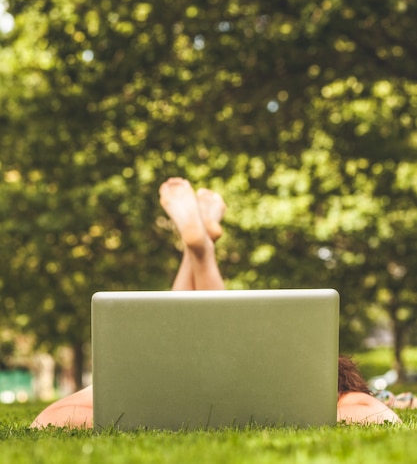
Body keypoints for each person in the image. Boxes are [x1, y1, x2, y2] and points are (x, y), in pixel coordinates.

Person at [31, 177, 401, 429]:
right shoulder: (342, 401)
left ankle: (197, 251)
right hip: (281, 381)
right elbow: (382, 417)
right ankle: (199, 250)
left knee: (177, 346)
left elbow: (44, 424)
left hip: (163, 381)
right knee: (210, 340)